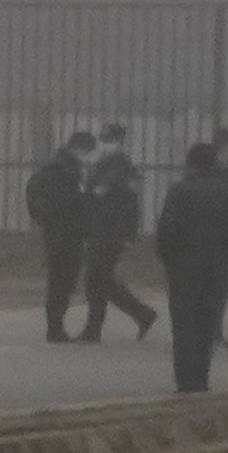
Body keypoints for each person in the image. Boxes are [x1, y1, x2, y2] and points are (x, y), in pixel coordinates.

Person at [151, 135, 228, 395]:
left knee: (184, 325)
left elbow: (167, 231)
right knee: (207, 323)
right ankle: (201, 378)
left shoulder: (180, 191)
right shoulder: (227, 192)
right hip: (217, 267)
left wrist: (169, 259)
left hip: (184, 267)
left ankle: (185, 381)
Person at [80, 128, 158, 343]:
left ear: (120, 142)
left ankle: (94, 329)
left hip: (111, 232)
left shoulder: (121, 167)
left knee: (96, 280)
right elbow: (93, 195)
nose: (105, 144)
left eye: (110, 140)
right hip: (99, 230)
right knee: (100, 280)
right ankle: (143, 314)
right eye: (103, 140)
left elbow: (124, 204)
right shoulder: (106, 165)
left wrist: (127, 235)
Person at [25, 129, 94, 342]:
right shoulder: (63, 168)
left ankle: (56, 326)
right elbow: (65, 203)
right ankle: (55, 329)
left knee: (63, 280)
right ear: (78, 148)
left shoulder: (59, 164)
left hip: (61, 231)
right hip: (64, 233)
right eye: (88, 151)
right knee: (62, 280)